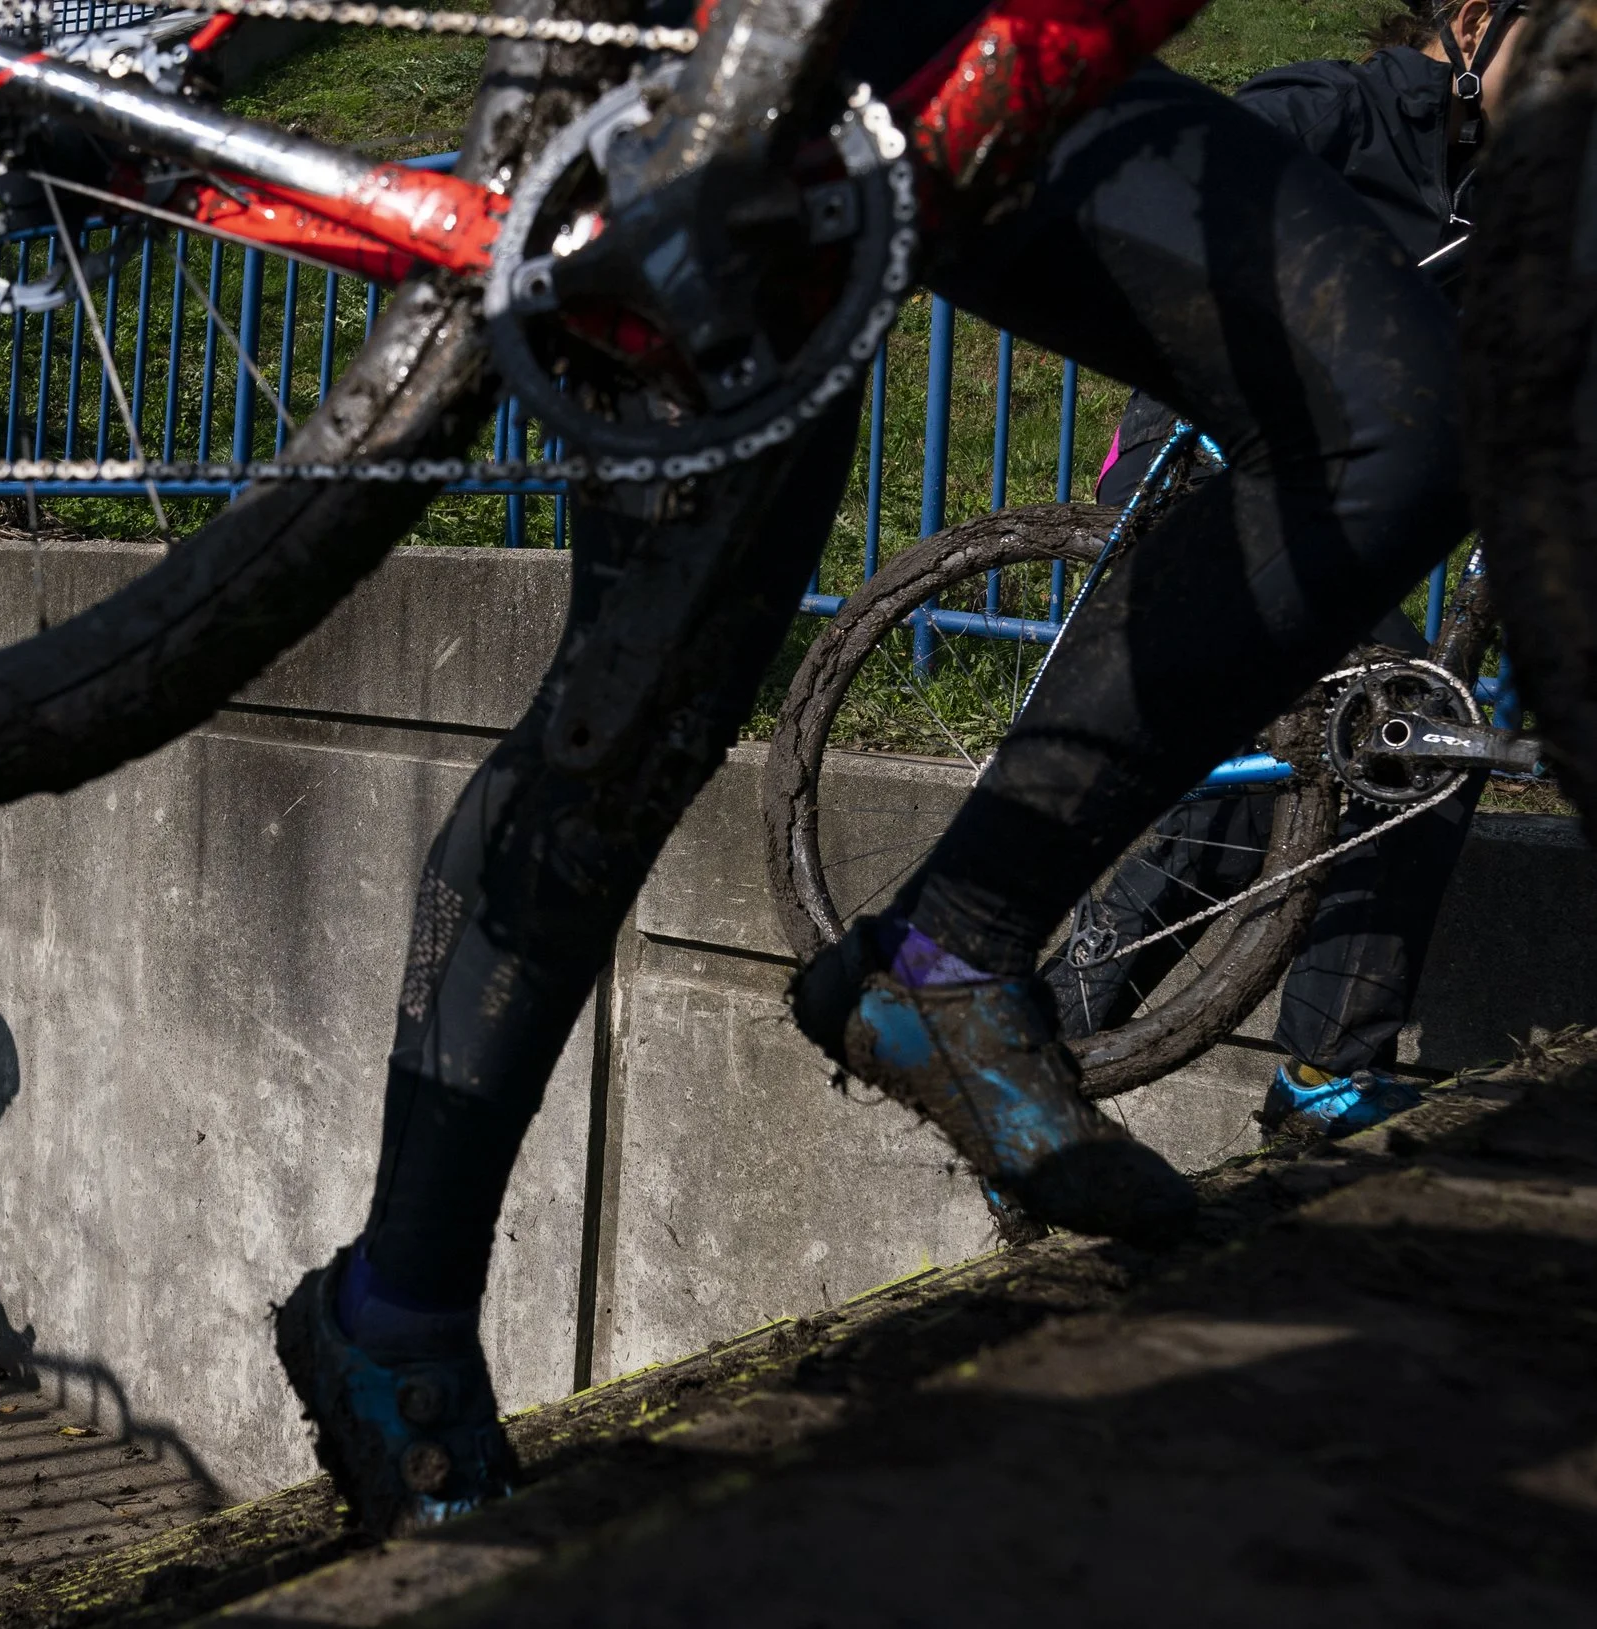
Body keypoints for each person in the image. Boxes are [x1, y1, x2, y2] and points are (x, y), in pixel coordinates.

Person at [276, 0, 1474, 1536]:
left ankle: (947, 952)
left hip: (959, 33)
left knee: (1397, 419)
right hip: (711, 57)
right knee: (641, 708)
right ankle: (400, 1308)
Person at [1055, 0, 1528, 1139]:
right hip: (1200, 470)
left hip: (1326, 517)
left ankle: (1308, 1072)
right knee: (1374, 734)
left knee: (1396, 742)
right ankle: (1057, 1037)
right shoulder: (1329, 112)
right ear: (1471, 23)